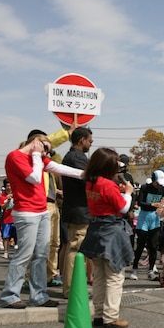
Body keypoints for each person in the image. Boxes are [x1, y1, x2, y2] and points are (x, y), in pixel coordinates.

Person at [0, 133, 84, 309]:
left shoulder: (39, 158)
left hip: (42, 210)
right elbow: (35, 178)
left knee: (42, 255)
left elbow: (62, 169)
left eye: (48, 151)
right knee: (24, 254)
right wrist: (37, 155)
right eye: (45, 148)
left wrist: (89, 174)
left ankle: (38, 295)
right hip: (26, 213)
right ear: (35, 142)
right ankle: (9, 295)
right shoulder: (15, 156)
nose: (46, 153)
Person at [78, 148, 134, 328]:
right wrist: (128, 193)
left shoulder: (90, 182)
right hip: (111, 229)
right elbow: (123, 208)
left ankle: (99, 315)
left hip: (95, 229)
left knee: (100, 275)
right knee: (115, 276)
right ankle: (111, 317)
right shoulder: (108, 184)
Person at [60, 127, 93, 298]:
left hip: (77, 208)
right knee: (76, 248)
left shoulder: (72, 157)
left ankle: (73, 288)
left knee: (78, 248)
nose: (90, 144)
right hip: (79, 209)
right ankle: (72, 289)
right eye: (90, 141)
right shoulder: (77, 158)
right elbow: (88, 182)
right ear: (82, 140)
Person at [132, 170, 164, 281]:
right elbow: (141, 203)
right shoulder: (144, 188)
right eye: (157, 182)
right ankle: (134, 268)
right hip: (144, 218)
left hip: (155, 219)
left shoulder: (163, 190)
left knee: (153, 246)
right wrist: (153, 204)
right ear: (153, 180)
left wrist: (162, 207)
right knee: (141, 245)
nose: (159, 185)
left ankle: (151, 269)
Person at [0, 180, 15, 259]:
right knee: (6, 236)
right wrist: (8, 200)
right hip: (6, 219)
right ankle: (6, 252)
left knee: (18, 235)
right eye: (7, 186)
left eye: (10, 185)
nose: (9, 187)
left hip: (16, 218)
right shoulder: (2, 196)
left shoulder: (17, 194)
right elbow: (2, 206)